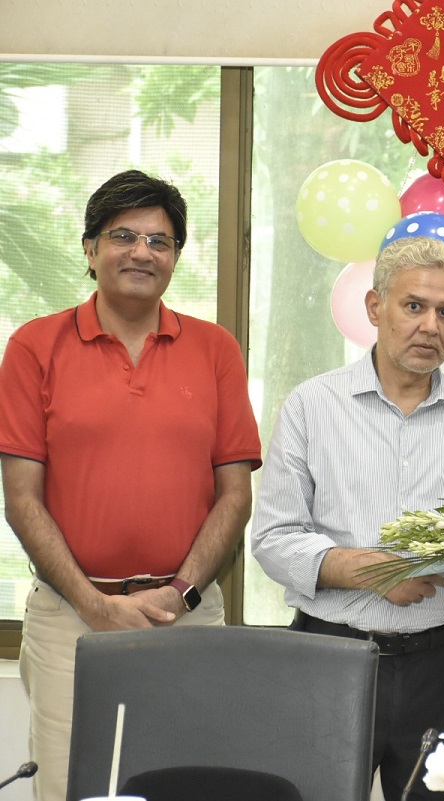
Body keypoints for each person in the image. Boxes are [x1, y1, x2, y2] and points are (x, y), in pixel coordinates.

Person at [250, 235, 444, 801]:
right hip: (329, 660)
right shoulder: (312, 406)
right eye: (413, 306)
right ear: (375, 308)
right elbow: (272, 539)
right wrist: (374, 571)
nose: (431, 326)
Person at [0, 169, 262, 801]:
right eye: (124, 235)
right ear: (90, 250)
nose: (143, 252)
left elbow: (235, 496)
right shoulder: (35, 346)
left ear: (174, 259)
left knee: (186, 783)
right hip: (70, 621)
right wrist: (95, 606)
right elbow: (21, 500)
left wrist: (181, 594)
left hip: (190, 618)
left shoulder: (215, 349)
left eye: (161, 241)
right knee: (72, 786)